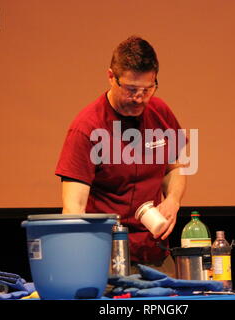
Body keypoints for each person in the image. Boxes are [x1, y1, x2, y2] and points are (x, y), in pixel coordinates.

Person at [55, 36, 187, 276]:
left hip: (154, 254)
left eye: (147, 89)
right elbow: (73, 208)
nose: (139, 98)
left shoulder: (161, 112)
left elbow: (174, 167)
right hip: (105, 258)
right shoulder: (86, 128)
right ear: (110, 77)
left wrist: (173, 200)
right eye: (130, 89)